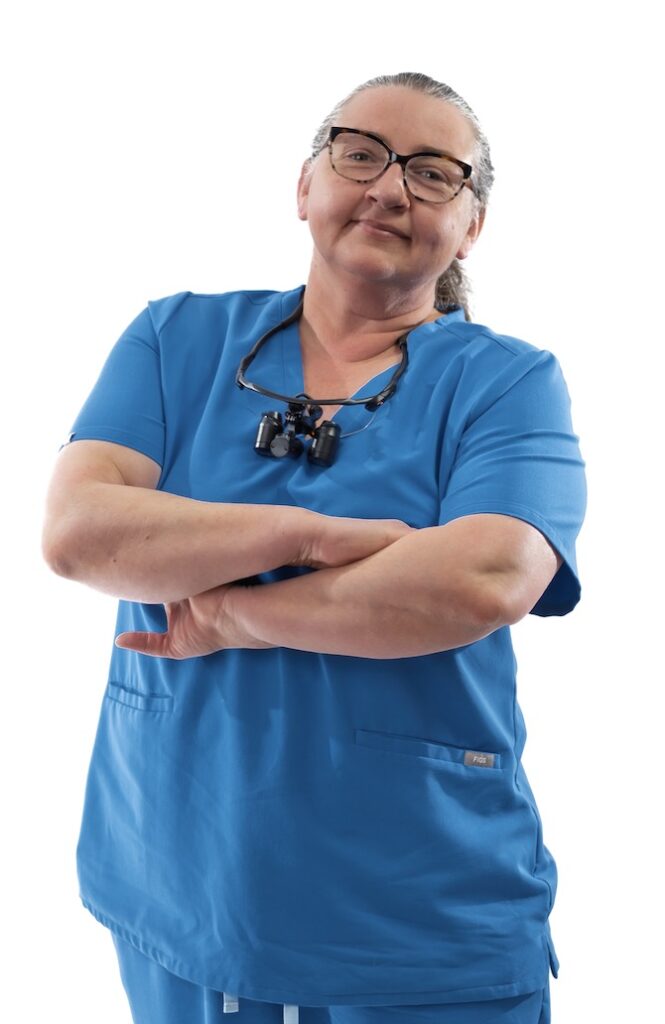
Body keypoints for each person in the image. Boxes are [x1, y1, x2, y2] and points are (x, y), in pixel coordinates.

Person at [41, 71, 587, 1024]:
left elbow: (487, 575)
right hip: (179, 886)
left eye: (433, 172)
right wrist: (313, 535)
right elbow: (80, 532)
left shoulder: (507, 384)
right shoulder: (177, 337)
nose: (389, 188)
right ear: (305, 185)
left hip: (414, 917)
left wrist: (233, 614)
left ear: (470, 227)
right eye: (359, 154)